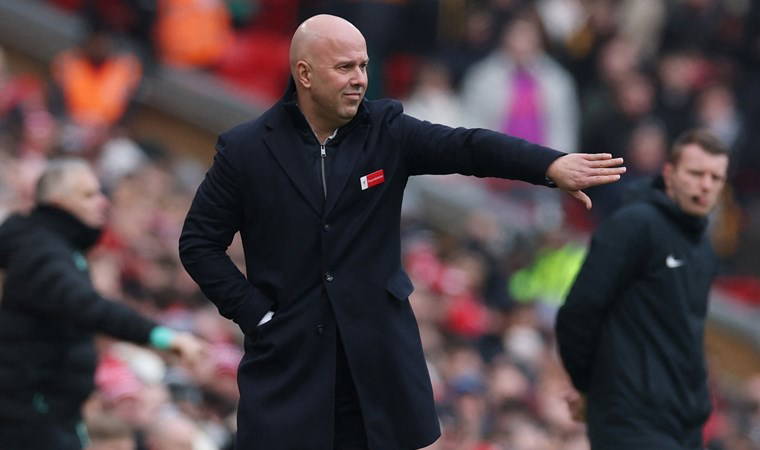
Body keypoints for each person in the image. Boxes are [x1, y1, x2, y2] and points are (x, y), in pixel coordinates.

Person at [179, 14, 625, 450]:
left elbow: (467, 147)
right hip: (289, 364)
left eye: (363, 66)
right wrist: (256, 313)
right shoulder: (246, 150)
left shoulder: (386, 130)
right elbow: (199, 243)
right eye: (344, 67)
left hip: (378, 362)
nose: (359, 79)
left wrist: (548, 165)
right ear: (305, 74)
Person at [0, 158, 204, 450]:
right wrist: (160, 336)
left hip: (46, 410)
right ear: (58, 203)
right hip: (30, 411)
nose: (102, 202)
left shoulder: (52, 246)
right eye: (88, 194)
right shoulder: (41, 251)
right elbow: (87, 306)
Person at [555, 129, 730, 449]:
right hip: (631, 418)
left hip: (683, 425)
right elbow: (579, 310)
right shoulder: (634, 225)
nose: (706, 185)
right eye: (696, 173)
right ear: (669, 173)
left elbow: (685, 335)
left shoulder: (703, 249)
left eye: (715, 177)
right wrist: (587, 385)